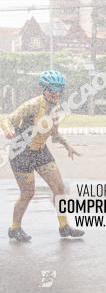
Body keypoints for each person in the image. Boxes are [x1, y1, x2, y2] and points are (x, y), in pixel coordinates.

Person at [1, 70, 84, 242]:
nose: (56, 93)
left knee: (59, 189)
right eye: (52, 89)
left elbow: (54, 134)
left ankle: (64, 226)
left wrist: (66, 144)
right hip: (21, 153)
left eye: (60, 89)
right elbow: (6, 119)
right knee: (27, 193)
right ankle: (14, 228)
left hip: (40, 151)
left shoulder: (58, 109)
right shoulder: (32, 104)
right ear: (44, 89)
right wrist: (8, 131)